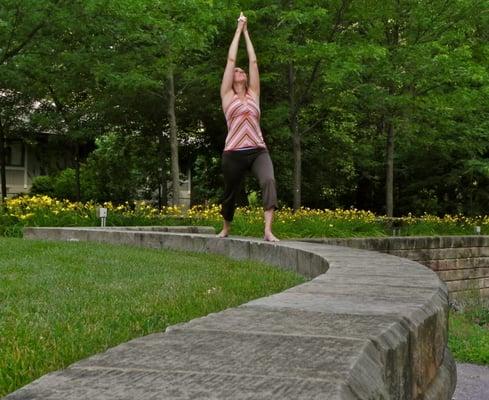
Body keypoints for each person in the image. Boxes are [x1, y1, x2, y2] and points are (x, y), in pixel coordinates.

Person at [218, 12, 279, 242]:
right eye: (236, 71)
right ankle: (225, 228)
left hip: (257, 150)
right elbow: (231, 60)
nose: (240, 71)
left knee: (269, 181)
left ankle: (267, 231)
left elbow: (253, 61)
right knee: (230, 193)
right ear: (231, 78)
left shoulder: (254, 94)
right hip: (233, 152)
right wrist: (237, 29)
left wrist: (247, 32)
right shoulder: (227, 96)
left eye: (242, 71)